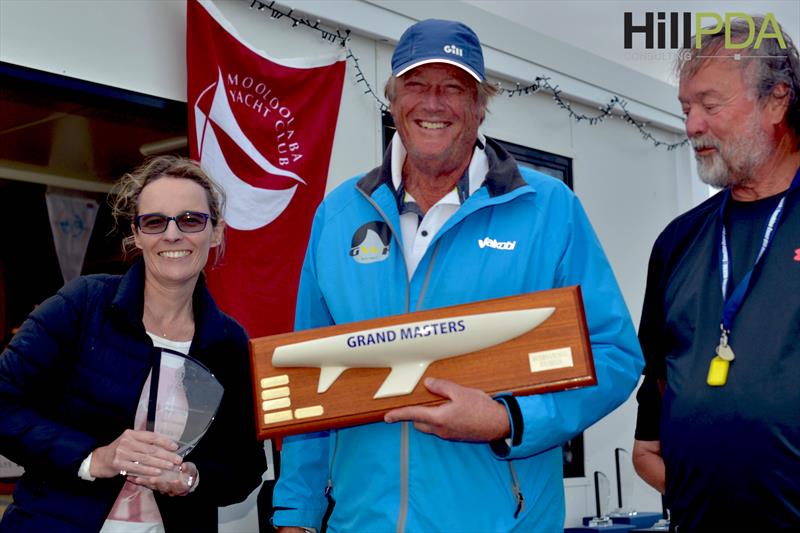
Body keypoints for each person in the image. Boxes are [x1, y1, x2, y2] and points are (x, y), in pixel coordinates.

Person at [272, 19, 643, 532]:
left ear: (479, 104)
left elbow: (615, 355)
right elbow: (307, 375)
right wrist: (297, 513)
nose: (433, 103)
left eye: (453, 87)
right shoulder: (340, 214)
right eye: (417, 85)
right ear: (394, 98)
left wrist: (510, 419)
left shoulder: (547, 209)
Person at [0, 156, 267, 532]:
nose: (172, 235)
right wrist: (94, 458)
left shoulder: (229, 341)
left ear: (217, 231)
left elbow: (245, 466)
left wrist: (192, 477)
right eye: (155, 221)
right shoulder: (84, 304)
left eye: (191, 220)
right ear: (137, 234)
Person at [633, 15, 800, 530]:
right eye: (686, 109)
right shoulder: (677, 242)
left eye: (710, 104)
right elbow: (652, 421)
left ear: (776, 101)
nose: (691, 126)